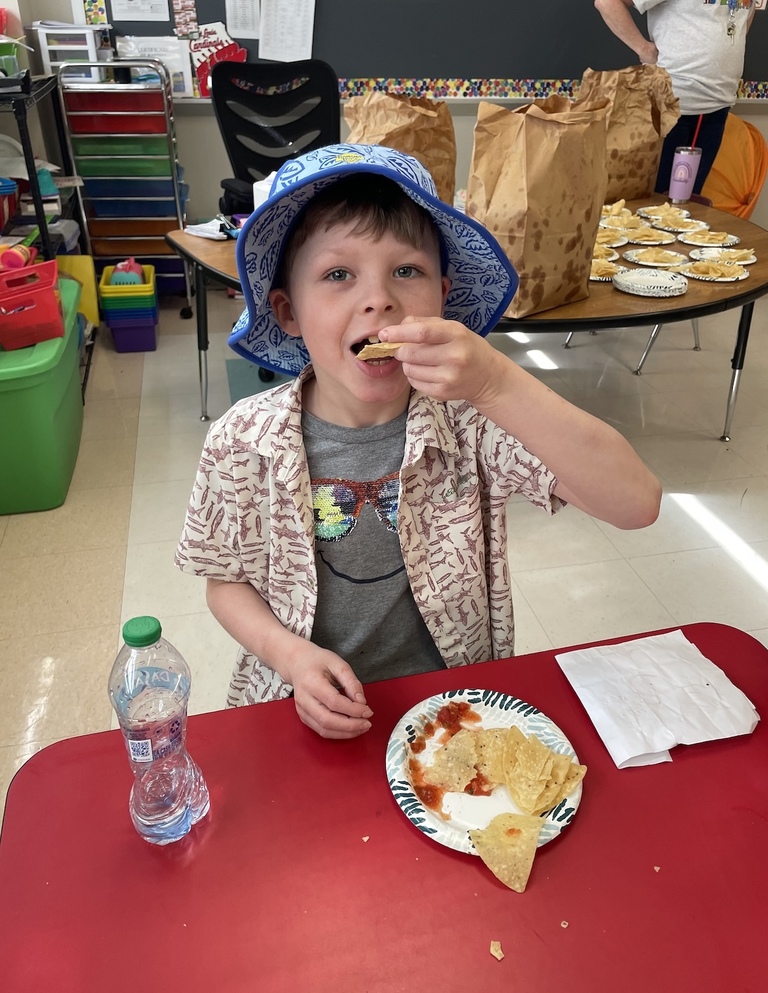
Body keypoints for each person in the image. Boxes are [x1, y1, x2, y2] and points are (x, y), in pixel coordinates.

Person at [175, 143, 661, 740]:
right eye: (337, 274)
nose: (379, 299)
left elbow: (636, 503)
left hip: (454, 708)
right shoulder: (241, 441)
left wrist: (498, 381)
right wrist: (290, 657)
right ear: (288, 310)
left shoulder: (474, 421)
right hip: (298, 708)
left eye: (407, 270)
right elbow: (225, 581)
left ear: (442, 297)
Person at [594, 0, 756, 194]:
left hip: (718, 105)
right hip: (671, 105)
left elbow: (743, 16)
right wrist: (643, 49)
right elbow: (607, 3)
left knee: (687, 204)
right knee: (653, 201)